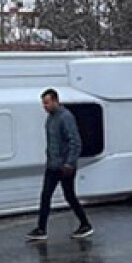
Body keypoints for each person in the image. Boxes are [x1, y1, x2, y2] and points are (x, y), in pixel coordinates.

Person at [26, 89, 93, 241]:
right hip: (53, 164)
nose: (45, 106)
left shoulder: (65, 117)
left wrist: (70, 162)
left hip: (64, 165)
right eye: (43, 103)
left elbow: (74, 141)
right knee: (47, 195)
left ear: (55, 100)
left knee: (68, 196)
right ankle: (42, 228)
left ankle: (85, 223)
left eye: (47, 103)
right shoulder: (51, 118)